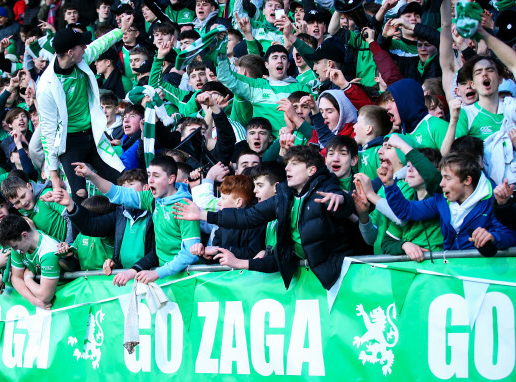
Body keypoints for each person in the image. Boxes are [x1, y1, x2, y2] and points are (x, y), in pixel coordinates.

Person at [174, 145, 354, 290]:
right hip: (311, 276)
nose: (287, 168)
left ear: (311, 170)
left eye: (294, 164)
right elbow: (246, 218)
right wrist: (202, 214)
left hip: (339, 274)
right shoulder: (284, 197)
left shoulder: (326, 187)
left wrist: (342, 200)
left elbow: (345, 202)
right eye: (287, 164)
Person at [37, 14, 134, 203]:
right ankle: (85, 231)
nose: (85, 47)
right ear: (70, 52)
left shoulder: (80, 59)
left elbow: (100, 44)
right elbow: (47, 131)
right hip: (70, 142)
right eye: (81, 45)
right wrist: (54, 177)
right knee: (79, 194)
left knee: (122, 179)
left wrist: (121, 30)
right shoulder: (46, 86)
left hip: (93, 134)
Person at [62, 156, 201, 286]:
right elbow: (118, 193)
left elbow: (190, 254)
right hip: (164, 279)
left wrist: (157, 273)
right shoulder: (153, 200)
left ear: (171, 179)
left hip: (184, 278)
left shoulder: (185, 207)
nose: (151, 180)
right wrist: (91, 175)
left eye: (156, 176)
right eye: (149, 175)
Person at [385, 152, 516, 252]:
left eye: (447, 178)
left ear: (467, 180)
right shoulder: (441, 200)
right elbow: (406, 211)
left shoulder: (494, 200)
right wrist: (389, 185)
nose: (441, 184)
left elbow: (509, 235)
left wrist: (492, 237)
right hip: (451, 273)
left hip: (482, 273)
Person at [0, 214, 59, 309]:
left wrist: (27, 280)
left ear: (24, 235)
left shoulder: (48, 251)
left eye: (14, 246)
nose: (13, 250)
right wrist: (34, 301)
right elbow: (16, 278)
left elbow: (45, 296)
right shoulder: (18, 245)